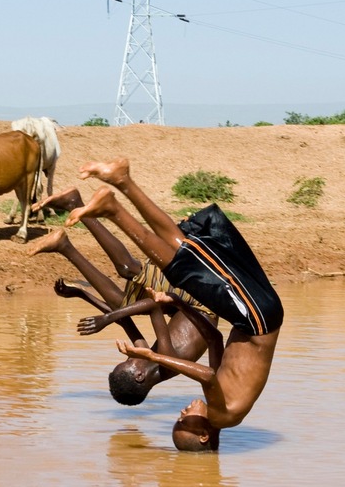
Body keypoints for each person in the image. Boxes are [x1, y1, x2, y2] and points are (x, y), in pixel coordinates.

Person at [65, 158, 284, 452]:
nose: (180, 415)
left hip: (254, 317)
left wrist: (180, 301)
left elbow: (215, 337)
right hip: (256, 319)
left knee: (185, 248)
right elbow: (204, 373)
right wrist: (151, 356)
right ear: (204, 435)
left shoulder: (221, 404)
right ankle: (115, 204)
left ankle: (120, 186)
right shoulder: (222, 416)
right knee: (182, 266)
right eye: (183, 423)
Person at [27, 187, 217, 406]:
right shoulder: (167, 360)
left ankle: (64, 246)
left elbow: (122, 317)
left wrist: (82, 294)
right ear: (139, 375)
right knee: (129, 269)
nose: (129, 356)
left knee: (120, 304)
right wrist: (106, 320)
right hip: (203, 298)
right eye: (128, 361)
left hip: (184, 305)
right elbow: (153, 306)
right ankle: (75, 204)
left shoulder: (150, 361)